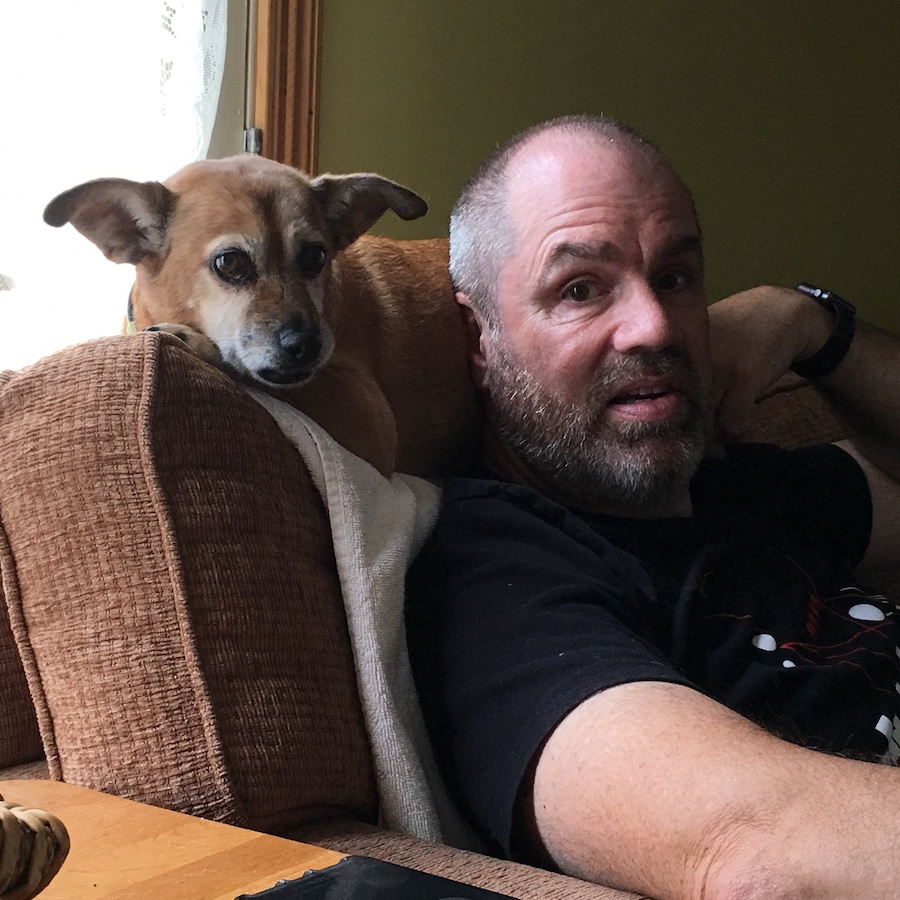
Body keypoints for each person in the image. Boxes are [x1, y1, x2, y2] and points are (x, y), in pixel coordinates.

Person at [404, 114, 900, 900]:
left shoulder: (744, 486)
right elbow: (759, 857)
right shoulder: (497, 576)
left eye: (674, 278)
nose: (654, 326)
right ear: (480, 337)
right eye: (578, 289)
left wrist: (813, 323)